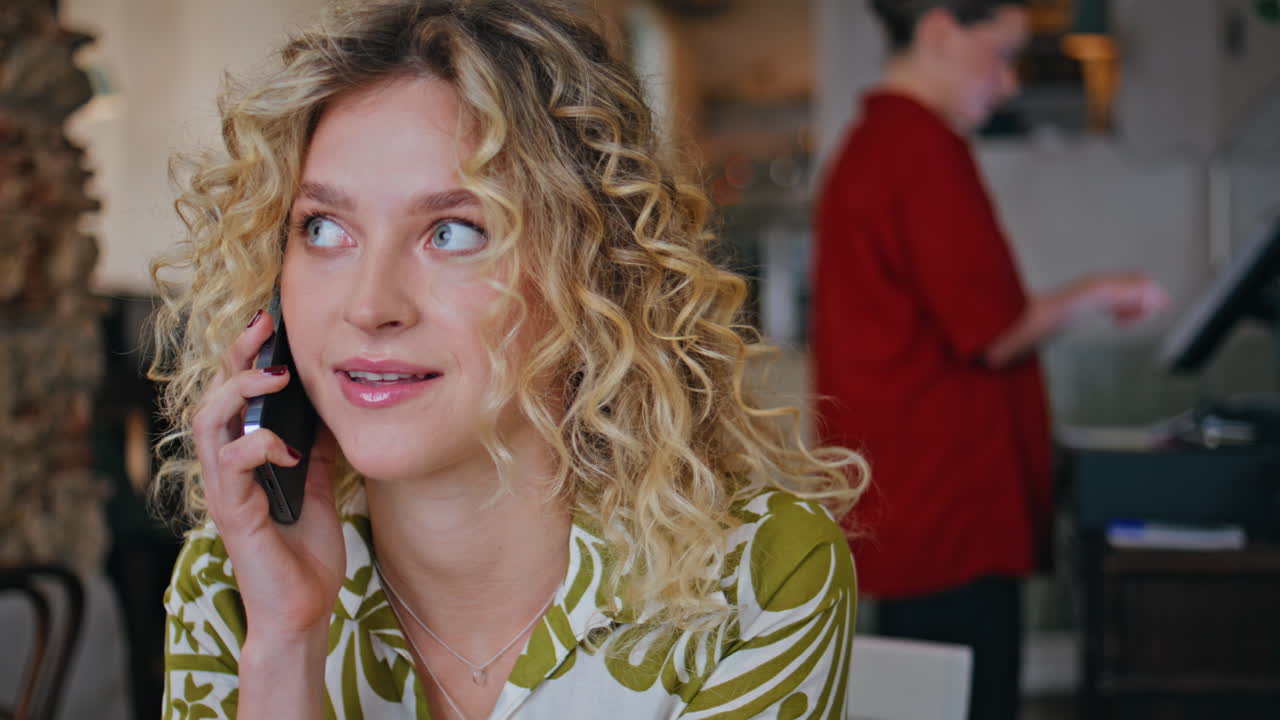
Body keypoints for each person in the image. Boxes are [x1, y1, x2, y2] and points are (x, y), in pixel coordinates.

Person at [148, 1, 869, 718]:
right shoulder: (234, 582)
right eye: (326, 228)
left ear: (589, 273)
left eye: (454, 232)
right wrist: (285, 645)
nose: (370, 307)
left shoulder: (758, 575)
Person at [810, 1, 1168, 719]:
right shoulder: (920, 150)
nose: (1005, 84)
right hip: (951, 509)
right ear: (941, 32)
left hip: (910, 502)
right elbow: (995, 329)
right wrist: (1102, 289)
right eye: (1000, 54)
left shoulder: (872, 145)